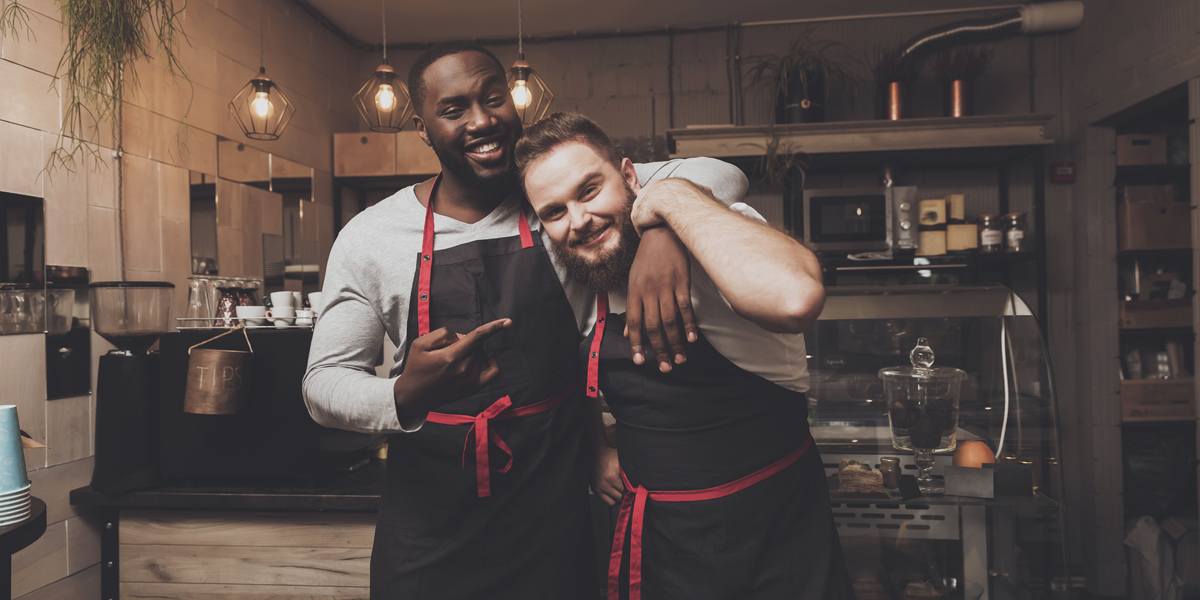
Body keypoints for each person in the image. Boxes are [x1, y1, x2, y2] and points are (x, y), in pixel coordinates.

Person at [303, 42, 749, 598]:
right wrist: (402, 394)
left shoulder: (557, 202)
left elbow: (722, 173)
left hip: (552, 519)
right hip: (431, 531)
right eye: (454, 109)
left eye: (494, 99)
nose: (482, 120)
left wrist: (660, 224)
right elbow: (322, 386)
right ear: (422, 128)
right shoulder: (371, 237)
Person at [517, 112, 855, 600]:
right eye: (554, 211)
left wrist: (666, 211)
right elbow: (567, 364)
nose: (578, 220)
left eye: (589, 190)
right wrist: (594, 445)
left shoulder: (717, 241)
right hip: (660, 547)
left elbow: (796, 297)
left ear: (631, 178)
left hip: (775, 534)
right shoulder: (577, 267)